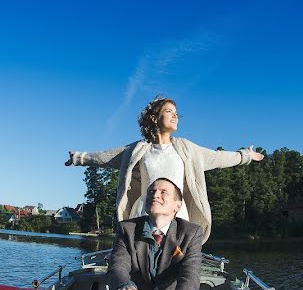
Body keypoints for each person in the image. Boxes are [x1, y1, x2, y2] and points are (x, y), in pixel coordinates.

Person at [66, 97, 264, 243]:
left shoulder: (186, 149)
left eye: (177, 113)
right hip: (145, 210)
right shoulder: (138, 150)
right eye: (169, 111)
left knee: (175, 260)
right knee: (142, 258)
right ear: (154, 118)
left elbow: (218, 157)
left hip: (177, 212)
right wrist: (78, 158)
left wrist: (245, 156)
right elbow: (105, 157)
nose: (175, 115)